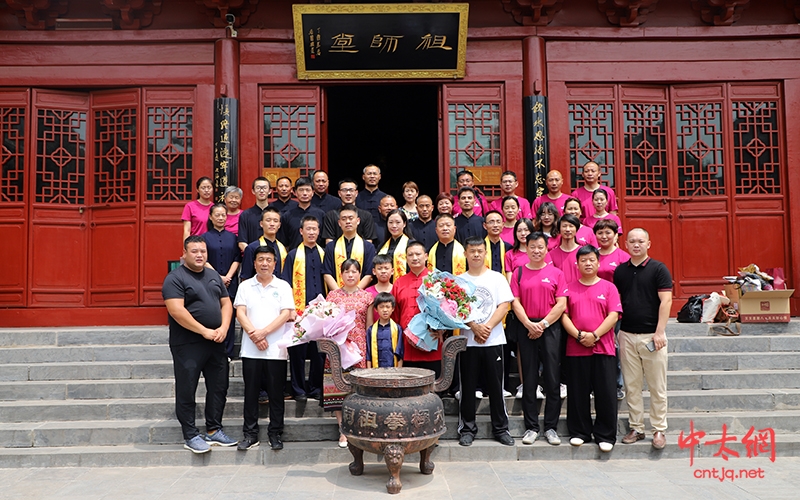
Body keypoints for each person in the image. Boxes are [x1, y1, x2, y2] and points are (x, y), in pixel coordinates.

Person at [162, 235, 236, 454]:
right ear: (184, 254)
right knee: (187, 387)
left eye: (203, 251)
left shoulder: (213, 275)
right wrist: (203, 330)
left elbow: (226, 303)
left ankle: (214, 430)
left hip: (216, 341)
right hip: (189, 342)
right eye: (194, 251)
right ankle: (191, 434)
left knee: (219, 386)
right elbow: (177, 310)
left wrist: (223, 328)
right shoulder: (175, 278)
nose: (199, 255)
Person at [614, 228, 673, 450]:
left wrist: (660, 332)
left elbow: (666, 302)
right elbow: (618, 303)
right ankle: (636, 427)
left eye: (641, 241)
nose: (636, 245)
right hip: (627, 334)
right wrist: (618, 332)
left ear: (649, 243)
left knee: (657, 385)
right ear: (626, 245)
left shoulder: (659, 269)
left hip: (652, 336)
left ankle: (658, 429)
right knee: (632, 385)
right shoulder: (620, 271)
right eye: (632, 241)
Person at [560, 245, 622, 452]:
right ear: (576, 264)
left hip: (603, 348)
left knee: (605, 393)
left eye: (591, 260)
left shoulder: (608, 287)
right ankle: (580, 432)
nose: (587, 263)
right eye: (583, 260)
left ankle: (605, 434)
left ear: (598, 262)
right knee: (578, 393)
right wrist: (579, 335)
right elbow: (564, 316)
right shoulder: (569, 287)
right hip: (576, 348)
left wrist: (594, 335)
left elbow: (613, 315)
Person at [234, 245, 294, 451]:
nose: (265, 263)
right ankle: (250, 434)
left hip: (276, 350)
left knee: (276, 394)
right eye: (261, 259)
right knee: (250, 393)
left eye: (269, 260)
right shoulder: (245, 286)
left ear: (275, 264)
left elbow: (286, 314)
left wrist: (264, 333)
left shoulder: (283, 286)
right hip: (251, 350)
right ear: (254, 262)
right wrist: (254, 334)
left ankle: (275, 433)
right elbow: (240, 313)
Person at [457, 236, 515, 447]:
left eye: (480, 251)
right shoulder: (460, 281)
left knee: (495, 387)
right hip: (468, 342)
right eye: (472, 251)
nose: (476, 255)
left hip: (494, 340)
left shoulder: (497, 278)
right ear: (465, 253)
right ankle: (467, 429)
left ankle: (501, 429)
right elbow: (457, 309)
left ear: (485, 253)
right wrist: (474, 327)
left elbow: (503, 306)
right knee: (468, 386)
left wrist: (487, 327)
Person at [510, 232, 567, 447]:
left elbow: (561, 304)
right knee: (530, 380)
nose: (536, 250)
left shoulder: (556, 273)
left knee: (553, 378)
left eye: (540, 247)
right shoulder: (519, 272)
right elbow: (515, 301)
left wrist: (542, 325)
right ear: (527, 247)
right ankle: (531, 427)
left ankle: (551, 427)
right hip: (526, 327)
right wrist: (528, 324)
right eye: (532, 246)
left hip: (550, 328)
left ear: (546, 248)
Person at [324, 259, 373, 447]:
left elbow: (368, 326)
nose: (350, 275)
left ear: (360, 274)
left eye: (354, 271)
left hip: (359, 347)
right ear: (341, 274)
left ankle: (358, 427)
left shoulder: (367, 297)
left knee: (357, 389)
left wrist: (368, 351)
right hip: (337, 347)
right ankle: (343, 430)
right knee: (337, 388)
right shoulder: (333, 296)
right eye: (347, 271)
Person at [282, 215, 327, 402]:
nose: (311, 232)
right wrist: (290, 308)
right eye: (307, 229)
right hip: (298, 310)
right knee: (297, 352)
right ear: (301, 231)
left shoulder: (325, 253)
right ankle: (298, 388)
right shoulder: (293, 255)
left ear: (318, 231)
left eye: (314, 229)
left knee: (319, 352)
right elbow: (285, 284)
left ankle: (316, 387)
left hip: (321, 311)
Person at [393, 241, 444, 376]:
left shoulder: (436, 280)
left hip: (431, 341)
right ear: (406, 258)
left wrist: (443, 330)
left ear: (426, 256)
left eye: (418, 254)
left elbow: (448, 310)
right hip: (407, 344)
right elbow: (395, 314)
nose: (414, 258)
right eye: (410, 255)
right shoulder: (399, 282)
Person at [594, 218, 630, 401]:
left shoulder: (623, 257)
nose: (604, 236)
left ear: (616, 235)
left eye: (608, 232)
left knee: (615, 348)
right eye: (600, 233)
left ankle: (617, 384)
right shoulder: (593, 255)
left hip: (616, 310)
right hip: (594, 308)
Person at [202, 204, 242, 358]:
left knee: (229, 317)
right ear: (211, 217)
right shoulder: (204, 238)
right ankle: (212, 352)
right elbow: (203, 259)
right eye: (217, 215)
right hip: (210, 281)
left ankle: (228, 352)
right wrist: (219, 277)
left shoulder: (233, 237)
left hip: (230, 282)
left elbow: (236, 258)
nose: (220, 218)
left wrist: (228, 277)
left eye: (223, 215)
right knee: (212, 315)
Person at [322, 204, 376, 290]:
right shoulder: (331, 246)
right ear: (339, 223)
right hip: (337, 296)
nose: (348, 221)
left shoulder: (368, 247)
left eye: (351, 218)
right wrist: (340, 294)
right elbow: (327, 274)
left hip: (361, 295)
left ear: (358, 221)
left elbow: (369, 275)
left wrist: (355, 292)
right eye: (344, 219)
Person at [321, 179, 378, 243]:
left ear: (356, 193)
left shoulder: (366, 215)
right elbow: (329, 240)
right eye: (344, 190)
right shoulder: (330, 215)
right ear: (339, 193)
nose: (348, 193)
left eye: (351, 190)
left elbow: (369, 240)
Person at [278, 177, 325, 249]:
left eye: (307, 190)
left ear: (313, 192)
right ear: (295, 192)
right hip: (295, 257)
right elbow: (284, 242)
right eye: (301, 190)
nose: (305, 193)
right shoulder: (287, 215)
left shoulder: (321, 214)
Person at [241, 207, 287, 281]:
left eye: (275, 221)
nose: (272, 224)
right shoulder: (252, 248)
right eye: (268, 220)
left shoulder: (282, 248)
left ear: (279, 225)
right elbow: (246, 277)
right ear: (261, 224)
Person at [366, 292, 404, 368]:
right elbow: (368, 353)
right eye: (381, 307)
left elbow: (400, 352)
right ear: (376, 309)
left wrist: (399, 372)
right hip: (376, 370)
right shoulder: (371, 330)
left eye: (388, 307)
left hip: (393, 369)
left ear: (393, 309)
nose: (385, 310)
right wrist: (369, 372)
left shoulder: (397, 328)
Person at [238, 177, 271, 252]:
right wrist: (254, 255)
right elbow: (242, 242)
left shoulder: (276, 214)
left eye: (264, 188)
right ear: (253, 191)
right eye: (258, 188)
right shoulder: (245, 215)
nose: (261, 191)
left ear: (270, 191)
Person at [377, 208, 411, 282]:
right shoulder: (382, 246)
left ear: (404, 224)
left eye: (398, 222)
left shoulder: (410, 244)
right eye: (391, 222)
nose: (394, 226)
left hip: (405, 284)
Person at [550, 214, 582, 285]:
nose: (567, 229)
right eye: (564, 226)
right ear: (559, 230)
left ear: (577, 229)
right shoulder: (551, 254)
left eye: (571, 226)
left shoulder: (583, 253)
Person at [181, 176, 214, 241]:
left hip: (211, 243)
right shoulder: (190, 206)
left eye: (209, 187)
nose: (206, 190)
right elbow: (187, 230)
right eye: (203, 188)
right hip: (195, 242)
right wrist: (186, 246)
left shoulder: (215, 207)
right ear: (197, 190)